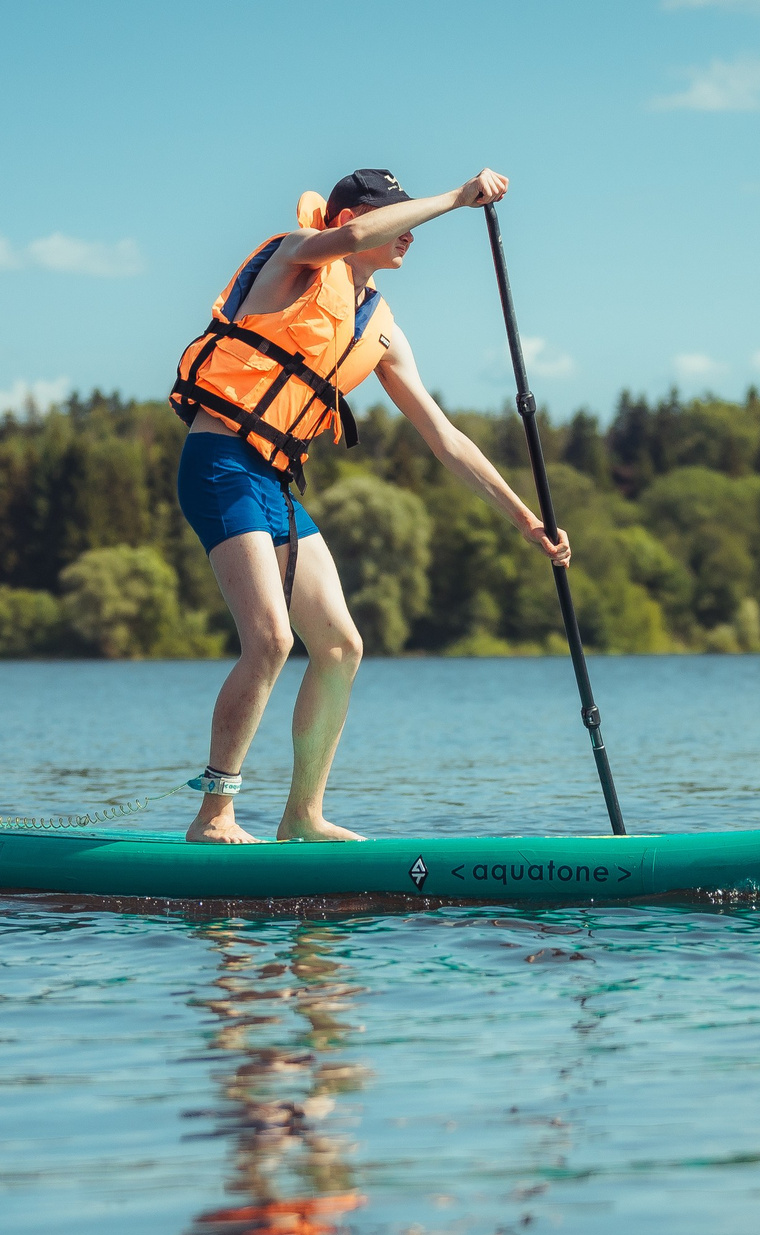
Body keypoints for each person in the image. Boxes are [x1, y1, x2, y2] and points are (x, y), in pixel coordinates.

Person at [171, 167, 570, 844]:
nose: (410, 233)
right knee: (270, 640)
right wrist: (455, 199)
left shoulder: (379, 328)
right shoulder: (297, 256)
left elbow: (444, 438)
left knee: (340, 645)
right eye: (398, 218)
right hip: (220, 462)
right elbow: (354, 238)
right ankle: (214, 815)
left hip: (273, 482)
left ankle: (302, 817)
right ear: (352, 218)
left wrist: (526, 519)